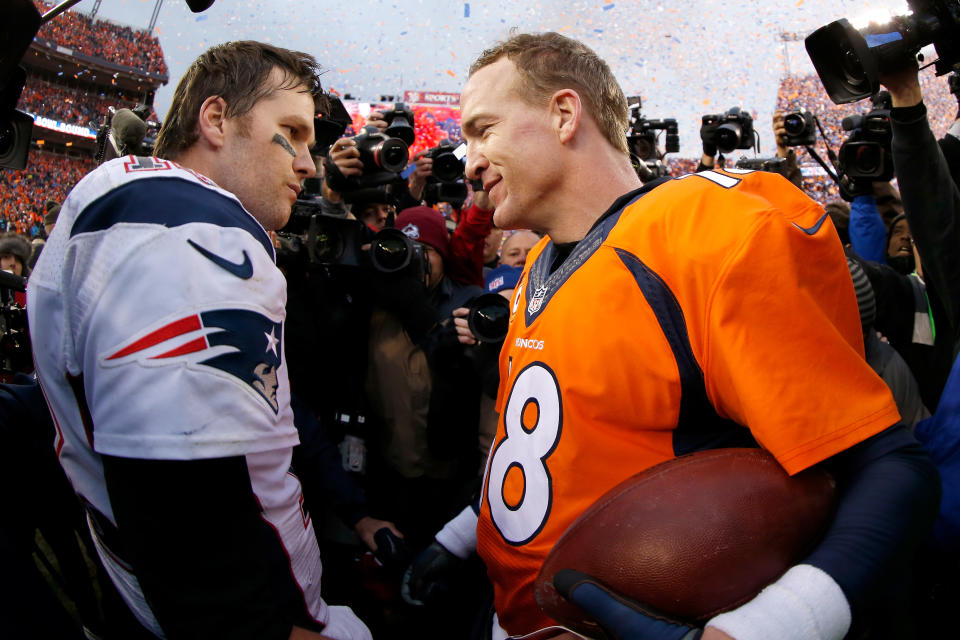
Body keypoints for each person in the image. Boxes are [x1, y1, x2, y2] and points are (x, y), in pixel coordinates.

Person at [459, 32, 939, 640]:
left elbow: (889, 467)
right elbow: (560, 451)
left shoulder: (704, 231)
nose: (467, 158)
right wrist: (458, 539)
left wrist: (774, 624)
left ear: (563, 114)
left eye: (483, 129)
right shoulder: (538, 266)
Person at [27, 41, 371, 640]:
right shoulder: (191, 228)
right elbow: (197, 546)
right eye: (291, 131)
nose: (308, 165)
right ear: (215, 119)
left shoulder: (148, 204)